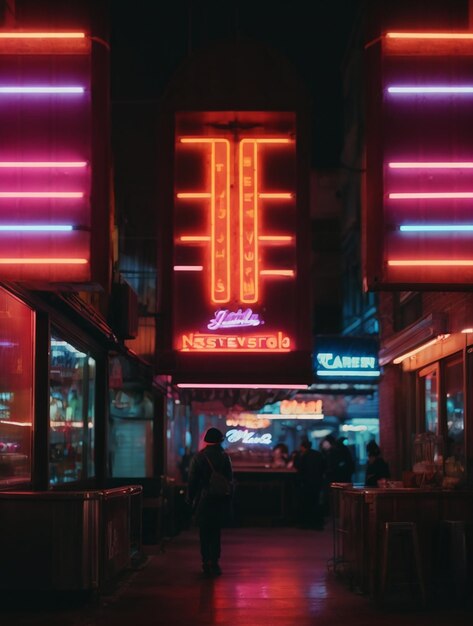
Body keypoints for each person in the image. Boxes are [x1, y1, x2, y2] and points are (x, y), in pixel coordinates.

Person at [187, 427, 233, 577]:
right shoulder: (225, 457)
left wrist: (190, 498)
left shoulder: (199, 457)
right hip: (220, 498)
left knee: (204, 531)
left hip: (204, 499)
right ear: (220, 440)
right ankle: (214, 561)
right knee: (216, 531)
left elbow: (192, 481)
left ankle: (205, 561)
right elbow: (229, 479)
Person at [293, 438, 326, 529]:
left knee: (306, 502)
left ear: (302, 447)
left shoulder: (302, 456)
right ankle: (316, 523)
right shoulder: (318, 455)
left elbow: (298, 467)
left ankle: (306, 523)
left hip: (306, 482)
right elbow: (324, 467)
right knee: (315, 502)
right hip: (317, 482)